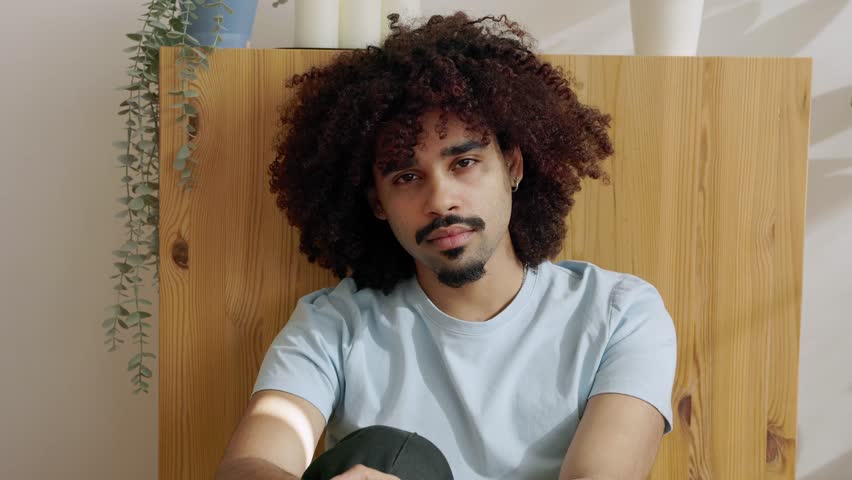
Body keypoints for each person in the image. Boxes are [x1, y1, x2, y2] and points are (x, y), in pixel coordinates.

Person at [215, 11, 677, 480]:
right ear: (378, 203)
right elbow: (252, 463)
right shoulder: (335, 325)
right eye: (407, 177)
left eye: (465, 162)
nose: (440, 201)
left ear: (513, 165)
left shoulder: (619, 315)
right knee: (386, 449)